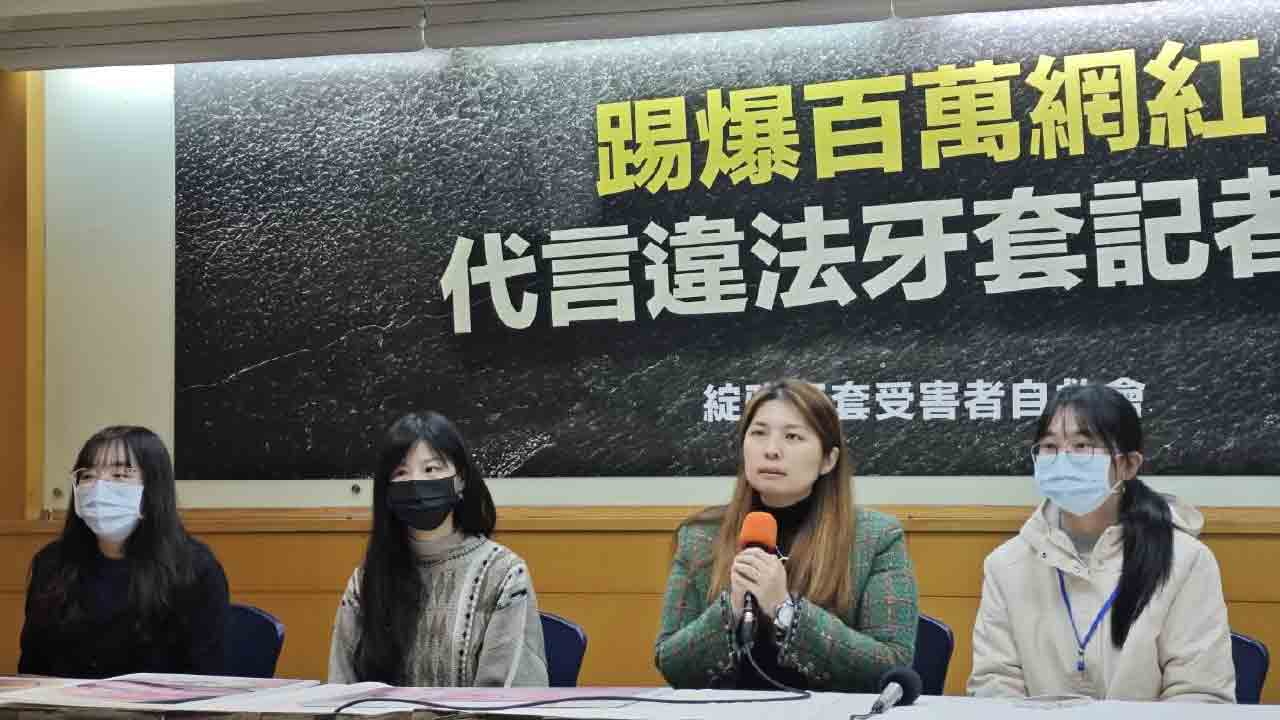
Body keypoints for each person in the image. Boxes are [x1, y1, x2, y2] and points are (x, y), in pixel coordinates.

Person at [968, 383, 1235, 702]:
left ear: (1129, 464)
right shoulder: (1006, 564)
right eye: (1050, 446)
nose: (1063, 460)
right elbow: (995, 682)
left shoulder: (1186, 561)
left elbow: (1199, 693)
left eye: (1082, 446)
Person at [655, 379, 918, 691]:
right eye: (758, 433)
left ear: (828, 460)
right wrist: (731, 609)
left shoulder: (876, 538)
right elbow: (671, 663)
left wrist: (785, 610)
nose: (771, 450)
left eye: (792, 436)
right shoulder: (700, 536)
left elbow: (893, 663)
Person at [328, 411, 548, 686]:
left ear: (461, 478)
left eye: (431, 469)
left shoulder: (504, 575)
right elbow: (341, 688)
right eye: (401, 472)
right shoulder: (365, 582)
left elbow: (509, 697)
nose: (416, 482)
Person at [19, 426, 230, 677]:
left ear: (153, 487)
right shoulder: (52, 564)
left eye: (119, 475)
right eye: (87, 475)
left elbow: (207, 677)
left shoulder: (194, 569)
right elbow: (33, 669)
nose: (98, 488)